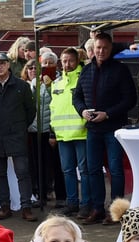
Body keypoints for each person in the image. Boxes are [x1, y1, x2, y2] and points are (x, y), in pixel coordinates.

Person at [72, 31, 136, 225]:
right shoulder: (86, 70)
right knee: (93, 170)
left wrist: (107, 113)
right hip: (92, 129)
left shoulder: (120, 70)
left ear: (110, 49)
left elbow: (130, 99)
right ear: (93, 48)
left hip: (113, 127)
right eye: (98, 48)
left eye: (104, 48)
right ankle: (97, 209)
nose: (100, 51)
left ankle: (117, 210)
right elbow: (77, 97)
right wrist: (82, 111)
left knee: (115, 169)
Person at [0, 52, 36, 222]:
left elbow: (30, 110)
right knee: (0, 173)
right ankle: (4, 207)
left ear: (8, 64)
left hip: (17, 135)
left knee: (23, 172)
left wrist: (19, 126)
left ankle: (26, 207)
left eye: (2, 63)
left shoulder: (22, 86)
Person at [50, 47, 91, 218]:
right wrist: (53, 132)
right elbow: (53, 108)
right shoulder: (56, 83)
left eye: (70, 61)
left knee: (84, 170)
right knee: (67, 170)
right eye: (64, 61)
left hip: (81, 132)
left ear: (77, 61)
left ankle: (86, 203)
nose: (67, 64)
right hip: (62, 135)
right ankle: (72, 202)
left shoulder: (84, 79)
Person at [22, 59, 58, 211]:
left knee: (46, 164)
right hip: (31, 130)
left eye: (35, 68)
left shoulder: (47, 85)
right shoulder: (26, 85)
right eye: (29, 68)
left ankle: (46, 192)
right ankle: (37, 193)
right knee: (33, 164)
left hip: (45, 130)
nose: (32, 70)